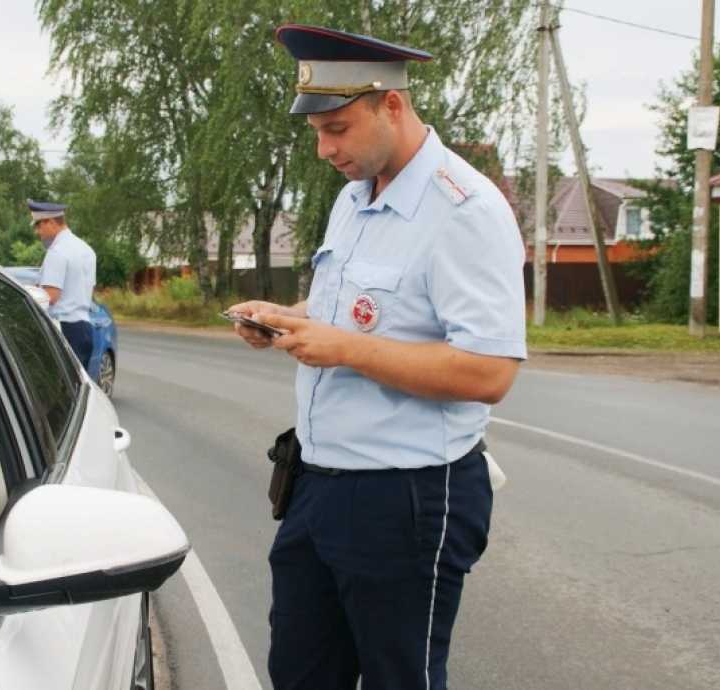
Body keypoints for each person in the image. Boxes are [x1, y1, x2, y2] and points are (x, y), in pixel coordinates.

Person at [227, 24, 527, 690]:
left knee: (401, 678)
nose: (324, 149)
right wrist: (286, 320)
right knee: (300, 672)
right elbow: (350, 312)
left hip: (406, 497)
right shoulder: (355, 197)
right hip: (318, 484)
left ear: (391, 104)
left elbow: (490, 372)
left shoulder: (464, 210)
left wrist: (344, 349)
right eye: (315, 132)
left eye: (336, 128)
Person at [28, 199, 97, 369]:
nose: (38, 232)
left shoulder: (57, 252)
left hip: (64, 330)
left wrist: (28, 296)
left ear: (50, 222)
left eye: (39, 226)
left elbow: (50, 297)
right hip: (84, 329)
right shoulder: (86, 249)